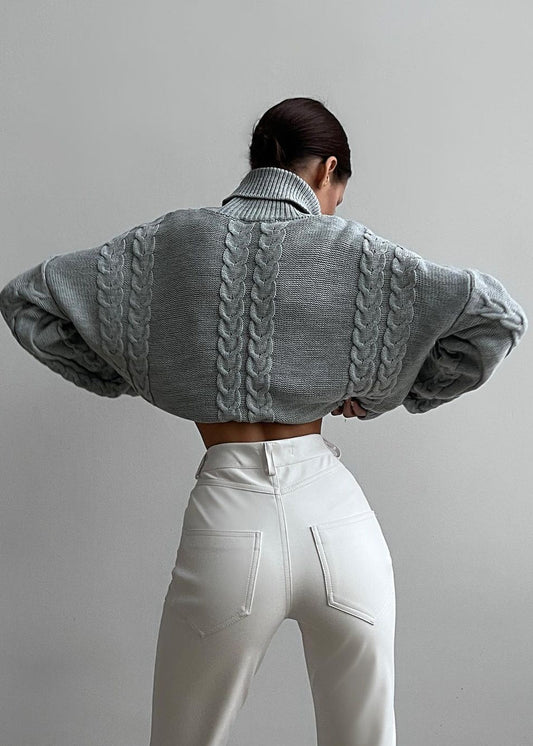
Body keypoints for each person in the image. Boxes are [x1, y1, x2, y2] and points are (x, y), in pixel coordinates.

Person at [0, 97, 527, 746]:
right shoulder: (356, 250)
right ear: (327, 170)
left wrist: (130, 371)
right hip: (339, 523)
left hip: (231, 517)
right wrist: (388, 390)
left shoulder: (173, 241)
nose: (333, 208)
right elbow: (496, 318)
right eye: (337, 193)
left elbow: (28, 300)